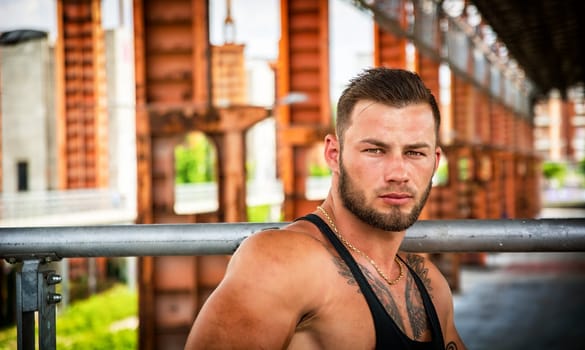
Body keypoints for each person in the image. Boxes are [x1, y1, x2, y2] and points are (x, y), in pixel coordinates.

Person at [185, 67, 467, 349]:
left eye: (415, 153)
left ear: (435, 161)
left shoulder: (431, 285)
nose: (398, 173)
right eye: (375, 150)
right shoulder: (282, 263)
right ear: (334, 155)